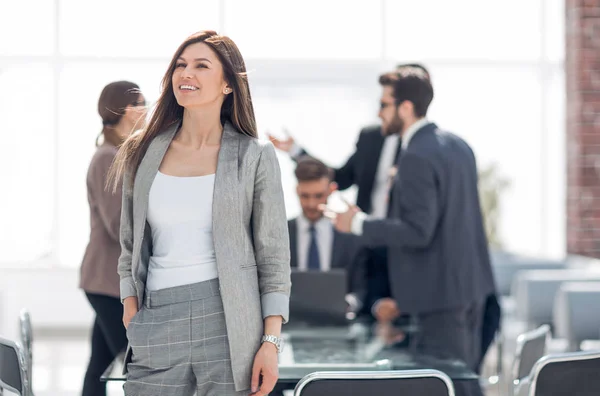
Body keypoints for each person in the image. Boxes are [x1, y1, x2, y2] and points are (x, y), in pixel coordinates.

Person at [109, 31, 291, 396]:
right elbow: (130, 242)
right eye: (180, 65)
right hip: (156, 315)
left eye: (200, 66)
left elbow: (273, 257)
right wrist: (131, 305)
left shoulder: (254, 155)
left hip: (229, 321)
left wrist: (270, 342)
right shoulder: (141, 152)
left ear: (227, 84)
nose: (185, 73)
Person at [332, 67, 497, 377]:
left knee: (447, 385)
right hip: (471, 292)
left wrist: (357, 224)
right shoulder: (458, 146)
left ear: (405, 108)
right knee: (463, 383)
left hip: (439, 302)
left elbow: (418, 231)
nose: (379, 114)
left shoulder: (415, 156)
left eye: (384, 105)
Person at [79, 81, 146, 396]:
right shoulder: (108, 157)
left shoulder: (116, 153)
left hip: (104, 281)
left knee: (100, 365)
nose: (147, 113)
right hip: (107, 283)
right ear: (129, 111)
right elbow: (119, 224)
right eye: (144, 106)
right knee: (137, 363)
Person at [288, 156, 364, 310]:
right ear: (297, 191)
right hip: (289, 323)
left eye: (318, 196)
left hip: (337, 323)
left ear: (331, 190)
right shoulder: (279, 234)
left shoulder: (350, 238)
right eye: (305, 196)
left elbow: (361, 287)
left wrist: (349, 303)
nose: (312, 204)